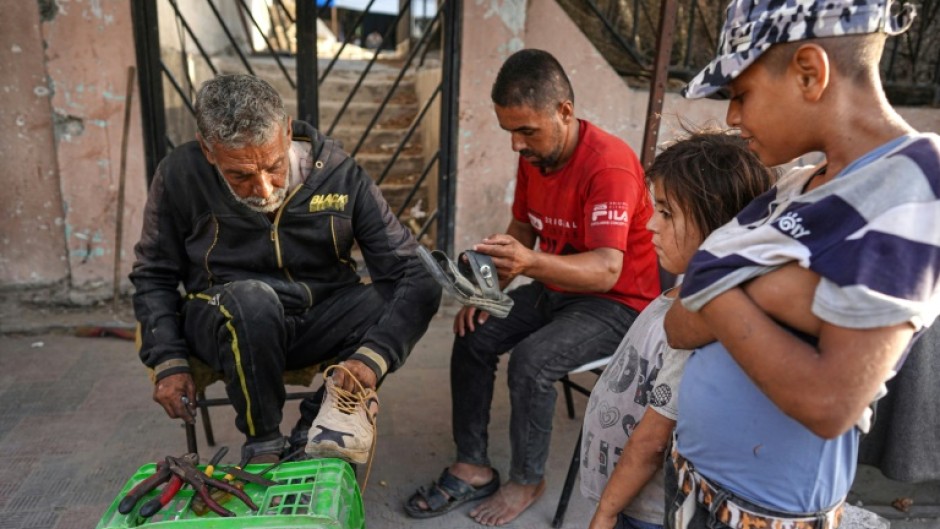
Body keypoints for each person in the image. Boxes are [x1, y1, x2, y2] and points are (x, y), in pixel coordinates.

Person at [660, 0, 940, 527]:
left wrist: (715, 281)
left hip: (765, 512)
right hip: (694, 478)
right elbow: (677, 325)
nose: (731, 117)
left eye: (740, 94)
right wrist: (774, 290)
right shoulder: (796, 183)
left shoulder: (917, 186)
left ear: (810, 74)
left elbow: (829, 401)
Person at [404, 49, 661, 525]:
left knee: (532, 362)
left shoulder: (610, 167)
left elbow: (607, 269)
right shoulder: (536, 158)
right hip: (556, 286)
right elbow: (522, 229)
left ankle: (527, 478)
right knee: (472, 332)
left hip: (617, 304)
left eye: (526, 131)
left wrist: (530, 262)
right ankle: (473, 465)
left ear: (564, 111)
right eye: (509, 132)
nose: (516, 145)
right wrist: (491, 290)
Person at [130, 74, 442, 464]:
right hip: (226, 319)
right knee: (251, 300)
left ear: (288, 130)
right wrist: (168, 360)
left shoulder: (340, 174)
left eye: (274, 166)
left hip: (318, 316)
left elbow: (406, 270)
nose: (263, 189)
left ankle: (316, 422)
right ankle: (263, 442)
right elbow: (153, 273)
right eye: (240, 175)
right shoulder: (180, 175)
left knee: (425, 276)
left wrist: (369, 360)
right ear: (208, 151)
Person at [582, 129, 775, 529]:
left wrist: (606, 511)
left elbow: (652, 442)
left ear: (718, 224)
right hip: (624, 493)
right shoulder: (682, 291)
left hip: (643, 508)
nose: (651, 224)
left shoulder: (700, 331)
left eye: (667, 213)